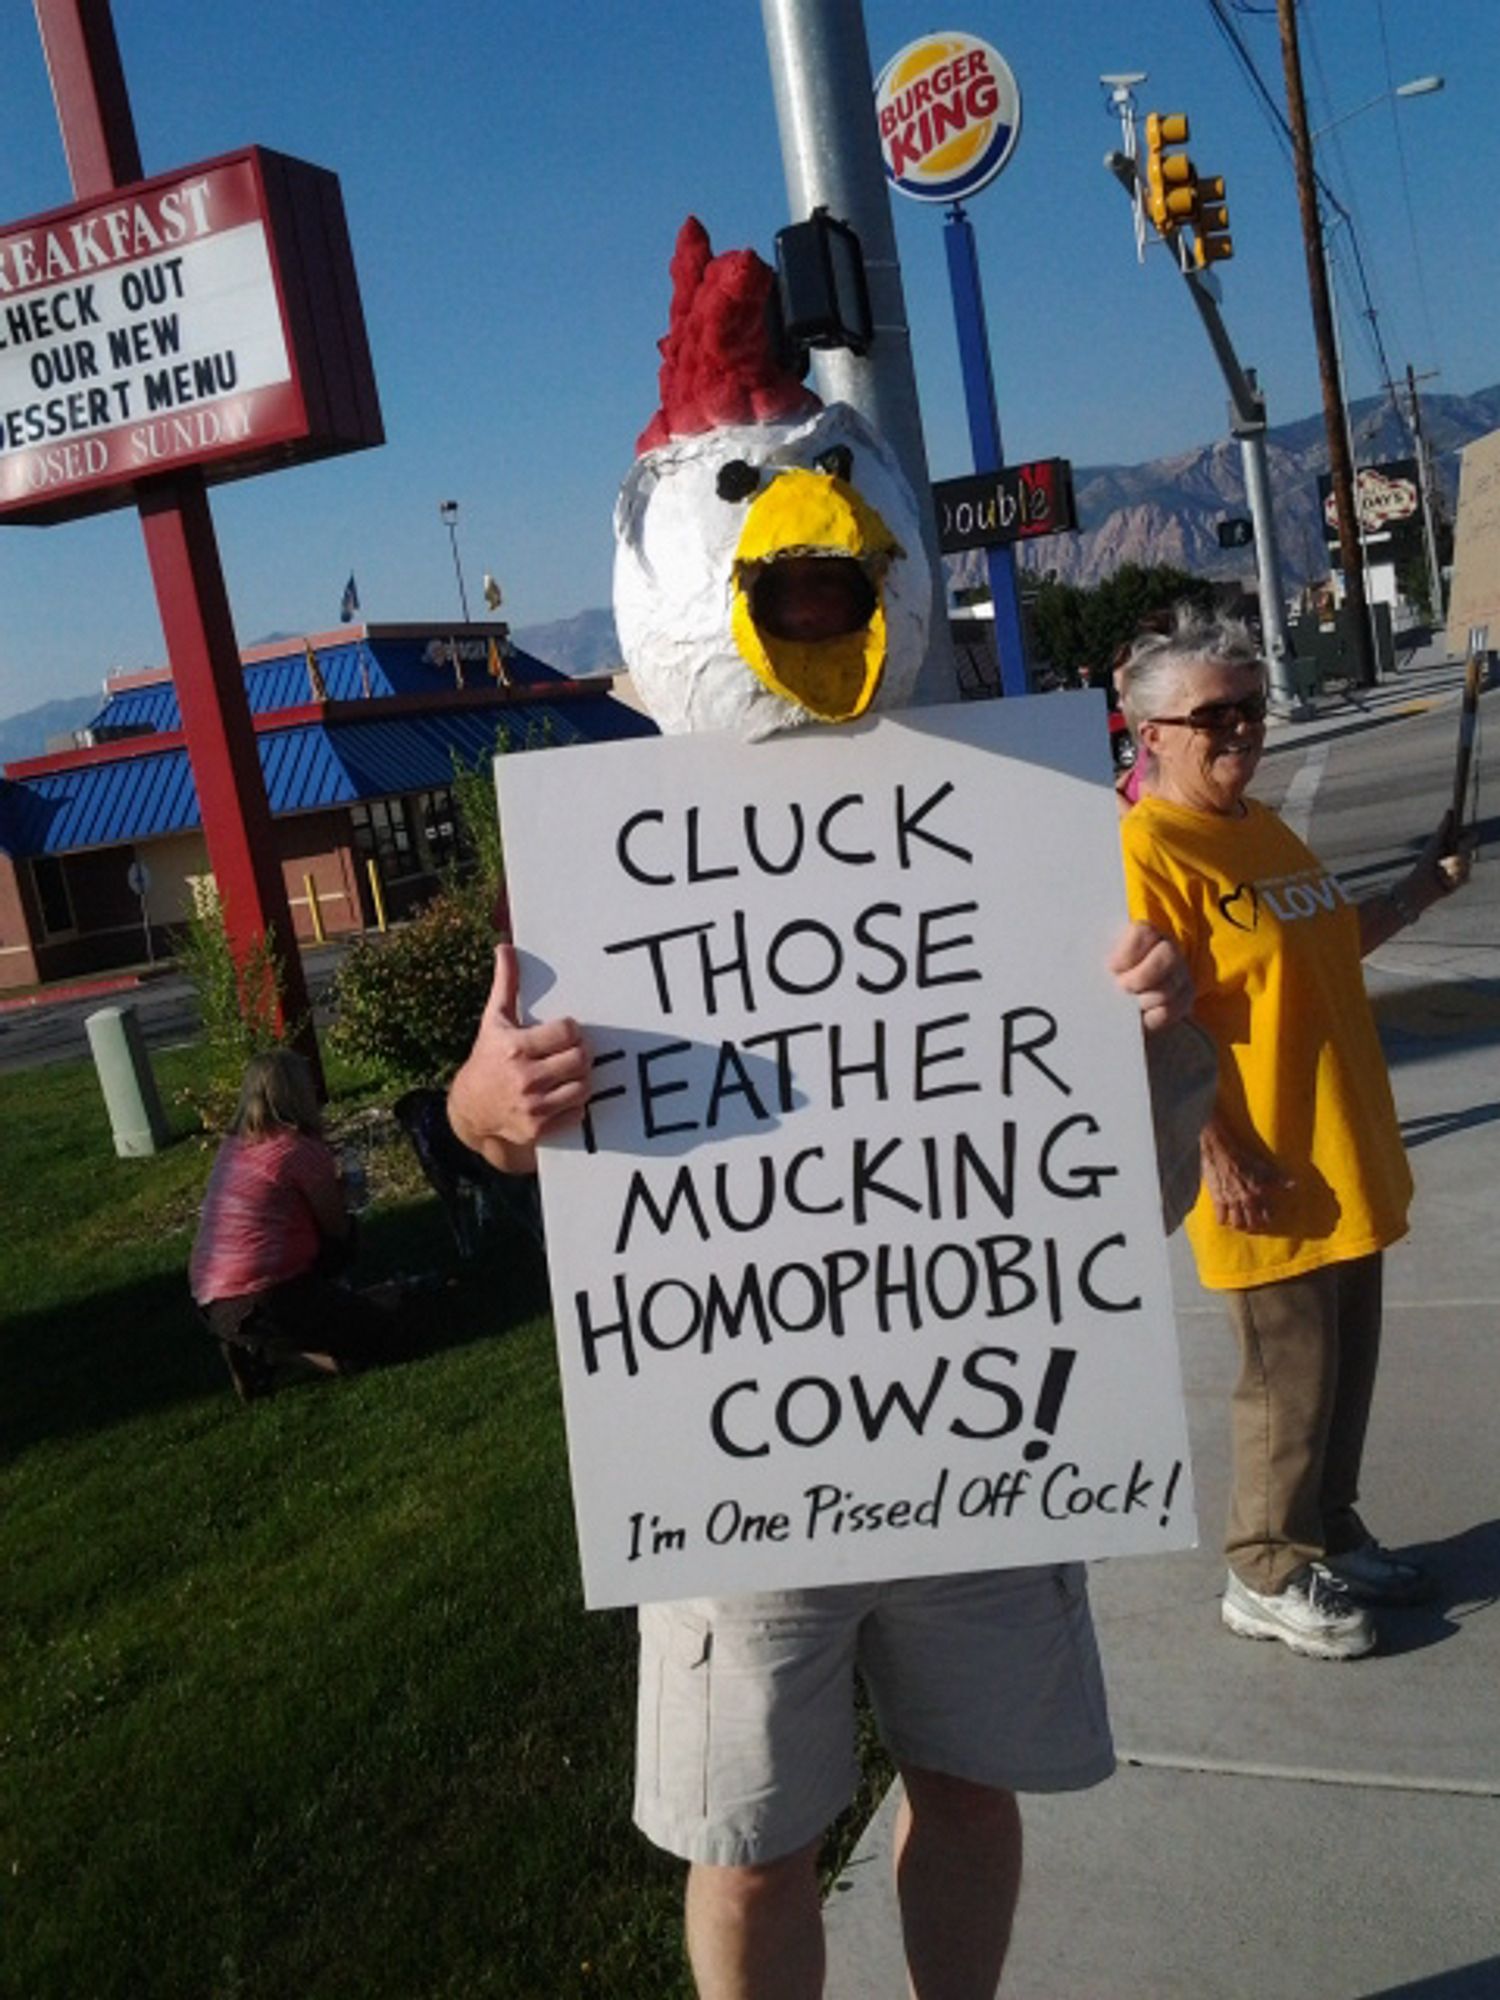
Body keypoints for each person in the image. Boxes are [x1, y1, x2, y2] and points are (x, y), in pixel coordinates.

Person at [449, 919, 1200, 2000]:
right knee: (750, 1848)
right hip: (741, 1464)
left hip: (973, 1440)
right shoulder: (633, 841)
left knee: (973, 1790)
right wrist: (482, 1103)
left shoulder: (1002, 810)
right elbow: (509, 1116)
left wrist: (1141, 1025)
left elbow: (1137, 1191)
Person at [1117, 606, 1470, 1662]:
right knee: (1286, 1373)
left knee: (1345, 1359)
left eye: (1252, 709)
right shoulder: (1148, 847)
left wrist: (1414, 892)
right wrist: (1216, 1153)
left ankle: (1332, 1525)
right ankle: (1264, 1566)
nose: (1241, 731)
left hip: (1338, 1143)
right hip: (1262, 1161)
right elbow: (1149, 1024)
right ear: (1153, 737)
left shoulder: (1259, 826)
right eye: (1213, 714)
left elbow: (1318, 944)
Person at [190, 1049, 409, 1400]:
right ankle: (273, 1352)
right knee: (385, 1336)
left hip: (212, 1298)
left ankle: (256, 1341)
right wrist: (347, 1197)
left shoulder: (234, 1146)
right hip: (265, 1297)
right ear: (297, 1093)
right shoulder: (298, 1150)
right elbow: (335, 1229)